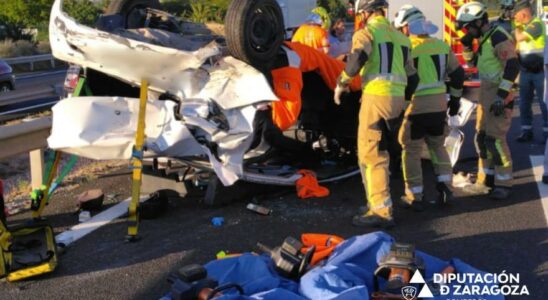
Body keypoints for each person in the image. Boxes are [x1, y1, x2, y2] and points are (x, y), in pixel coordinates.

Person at [334, 0, 419, 227]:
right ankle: (376, 201)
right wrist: (405, 100)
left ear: (365, 13)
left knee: (372, 155)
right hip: (396, 100)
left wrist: (341, 83)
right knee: (382, 150)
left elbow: (356, 60)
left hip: (375, 97)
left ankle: (381, 211)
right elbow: (413, 77)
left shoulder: (367, 33)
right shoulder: (402, 38)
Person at [393, 5, 465, 209]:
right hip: (439, 105)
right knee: (437, 146)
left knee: (412, 150)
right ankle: (446, 188)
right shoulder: (442, 45)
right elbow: (458, 75)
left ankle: (415, 196)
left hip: (415, 107)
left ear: (407, 27)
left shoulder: (406, 48)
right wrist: (456, 100)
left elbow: (404, 79)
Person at [251, 42, 361, 162]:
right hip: (291, 59)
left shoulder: (331, 63)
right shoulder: (352, 74)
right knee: (283, 117)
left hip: (279, 53)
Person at [457, 1, 520, 199]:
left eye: (468, 27)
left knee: (496, 140)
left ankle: (504, 183)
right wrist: (467, 45)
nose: (466, 30)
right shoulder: (485, 38)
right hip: (486, 95)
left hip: (499, 96)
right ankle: (486, 180)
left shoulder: (498, 37)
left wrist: (502, 96)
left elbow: (512, 66)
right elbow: (472, 63)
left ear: (478, 22)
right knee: (482, 139)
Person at [513, 0, 547, 142]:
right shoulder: (524, 26)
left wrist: (517, 28)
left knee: (544, 103)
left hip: (540, 72)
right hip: (526, 71)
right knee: (524, 104)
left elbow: (519, 37)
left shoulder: (536, 24)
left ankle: (546, 133)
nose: (515, 18)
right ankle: (526, 131)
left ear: (524, 13)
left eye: (516, 15)